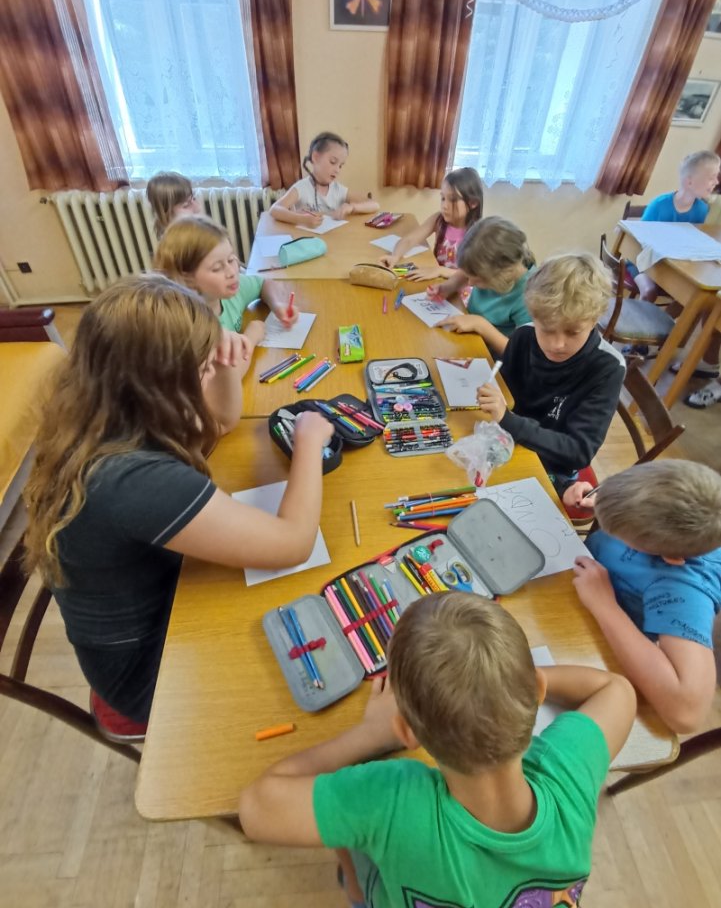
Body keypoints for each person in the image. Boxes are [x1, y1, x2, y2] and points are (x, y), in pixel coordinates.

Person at [23, 274, 334, 727]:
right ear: (162, 383)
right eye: (202, 369)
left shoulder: (106, 411)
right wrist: (307, 441)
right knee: (317, 657)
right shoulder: (133, 480)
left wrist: (222, 365)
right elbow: (294, 543)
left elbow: (221, 423)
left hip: (154, 604)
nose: (209, 374)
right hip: (147, 672)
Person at [238, 592, 636, 908]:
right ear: (538, 691)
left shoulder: (391, 802)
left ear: (406, 732)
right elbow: (616, 689)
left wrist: (370, 734)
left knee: (348, 844)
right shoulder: (568, 775)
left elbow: (256, 807)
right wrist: (506, 682)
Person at [564, 460, 721, 734]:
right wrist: (601, 503)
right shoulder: (665, 512)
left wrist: (605, 606)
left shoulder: (684, 589)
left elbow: (687, 714)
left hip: (595, 643)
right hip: (573, 585)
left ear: (670, 557)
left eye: (623, 534)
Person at [477, 253, 625, 496]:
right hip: (506, 442)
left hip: (553, 468)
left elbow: (578, 452)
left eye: (573, 332)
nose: (557, 344)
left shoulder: (607, 367)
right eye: (546, 329)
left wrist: (508, 419)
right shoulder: (523, 337)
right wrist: (494, 403)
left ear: (594, 320)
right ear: (533, 316)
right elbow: (505, 395)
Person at [155, 215, 298, 377]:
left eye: (231, 260)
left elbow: (263, 283)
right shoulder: (191, 327)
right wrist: (251, 337)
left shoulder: (226, 290)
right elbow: (228, 377)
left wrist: (278, 305)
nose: (231, 272)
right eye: (217, 268)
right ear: (188, 279)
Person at [427, 216, 535, 355]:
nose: (470, 283)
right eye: (469, 276)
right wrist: (448, 287)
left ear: (501, 275)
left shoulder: (529, 297)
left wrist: (480, 325)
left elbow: (521, 354)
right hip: (470, 335)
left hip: (492, 356)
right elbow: (465, 273)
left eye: (478, 279)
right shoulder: (489, 269)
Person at [630, 150, 720, 305]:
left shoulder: (702, 209)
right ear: (689, 182)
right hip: (640, 262)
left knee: (690, 297)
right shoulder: (659, 205)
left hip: (670, 266)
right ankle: (635, 318)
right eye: (711, 178)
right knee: (649, 291)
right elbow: (637, 239)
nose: (716, 182)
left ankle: (665, 320)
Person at [379, 167, 484, 281]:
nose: (444, 206)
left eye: (452, 199)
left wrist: (440, 270)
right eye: (443, 198)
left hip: (459, 288)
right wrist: (395, 256)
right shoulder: (439, 220)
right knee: (396, 279)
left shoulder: (479, 234)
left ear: (473, 203)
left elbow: (475, 275)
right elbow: (409, 239)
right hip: (436, 280)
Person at [270, 132, 379, 228]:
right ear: (315, 157)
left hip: (333, 240)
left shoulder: (338, 190)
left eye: (340, 165)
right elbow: (275, 209)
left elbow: (374, 205)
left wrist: (352, 207)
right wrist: (301, 219)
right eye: (333, 162)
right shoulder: (301, 188)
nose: (337, 170)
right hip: (308, 240)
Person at [146, 170, 203, 238]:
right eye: (186, 205)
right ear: (167, 214)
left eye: (194, 198)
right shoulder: (177, 240)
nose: (197, 207)